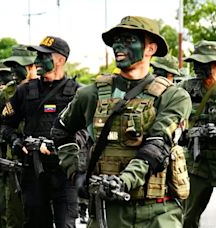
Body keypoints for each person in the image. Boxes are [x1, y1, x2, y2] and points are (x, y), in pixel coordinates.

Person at [51, 16, 191, 228]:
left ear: (150, 49)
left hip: (159, 211)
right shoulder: (90, 95)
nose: (118, 45)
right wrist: (75, 172)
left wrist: (123, 181)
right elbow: (61, 131)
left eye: (128, 39)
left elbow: (157, 146)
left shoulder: (173, 96)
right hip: (110, 212)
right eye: (116, 40)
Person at [1, 36, 80, 227]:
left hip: (65, 172)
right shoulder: (24, 91)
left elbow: (88, 131)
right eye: (36, 56)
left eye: (43, 56)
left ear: (60, 60)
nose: (36, 61)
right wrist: (17, 142)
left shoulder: (79, 92)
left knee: (65, 224)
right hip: (33, 171)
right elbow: (6, 125)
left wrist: (64, 145)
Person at [0, 44, 37, 228]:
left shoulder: (47, 89)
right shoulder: (6, 93)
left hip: (41, 163)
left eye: (18, 65)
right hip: (12, 161)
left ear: (32, 65)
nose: (13, 70)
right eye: (12, 65)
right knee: (8, 214)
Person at [181, 40, 216, 228]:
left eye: (203, 64)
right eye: (196, 63)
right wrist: (188, 131)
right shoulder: (187, 88)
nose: (197, 68)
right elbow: (172, 112)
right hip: (199, 162)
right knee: (188, 216)